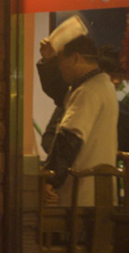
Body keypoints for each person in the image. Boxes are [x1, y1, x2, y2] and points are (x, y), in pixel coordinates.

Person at [39, 35, 118, 206]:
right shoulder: (103, 85)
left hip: (81, 196)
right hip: (99, 192)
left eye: (60, 60)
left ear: (75, 58)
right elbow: (59, 91)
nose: (59, 67)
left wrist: (50, 179)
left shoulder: (88, 91)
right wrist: (48, 61)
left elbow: (69, 140)